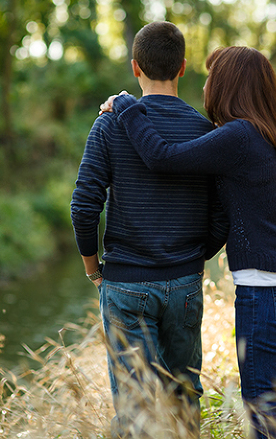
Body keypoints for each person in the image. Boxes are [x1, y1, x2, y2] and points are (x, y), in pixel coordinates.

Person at [103, 46, 276, 439]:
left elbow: (162, 157)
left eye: (211, 77)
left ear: (228, 85)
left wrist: (128, 107)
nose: (205, 86)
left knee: (262, 401)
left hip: (268, 289)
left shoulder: (237, 136)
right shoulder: (268, 129)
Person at [70, 22, 228, 438]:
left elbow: (84, 206)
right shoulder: (205, 131)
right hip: (186, 283)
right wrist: (196, 256)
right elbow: (220, 214)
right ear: (183, 68)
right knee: (184, 398)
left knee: (136, 409)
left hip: (125, 285)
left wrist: (94, 270)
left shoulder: (109, 125)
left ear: (135, 67)